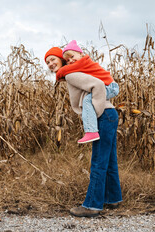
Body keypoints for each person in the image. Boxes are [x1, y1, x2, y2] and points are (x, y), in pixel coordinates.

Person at [45, 47, 122, 217]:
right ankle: (112, 198)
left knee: (98, 162)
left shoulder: (71, 74)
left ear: (62, 59)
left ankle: (92, 206)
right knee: (109, 161)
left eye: (53, 59)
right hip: (110, 115)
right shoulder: (73, 71)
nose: (50, 64)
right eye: (47, 62)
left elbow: (98, 85)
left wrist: (97, 112)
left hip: (104, 116)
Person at [56, 40, 119, 144]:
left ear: (81, 54)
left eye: (72, 56)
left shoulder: (83, 61)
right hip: (108, 86)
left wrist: (59, 74)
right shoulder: (80, 64)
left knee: (87, 100)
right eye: (67, 60)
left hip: (110, 87)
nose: (70, 61)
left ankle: (91, 131)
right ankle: (91, 131)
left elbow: (65, 70)